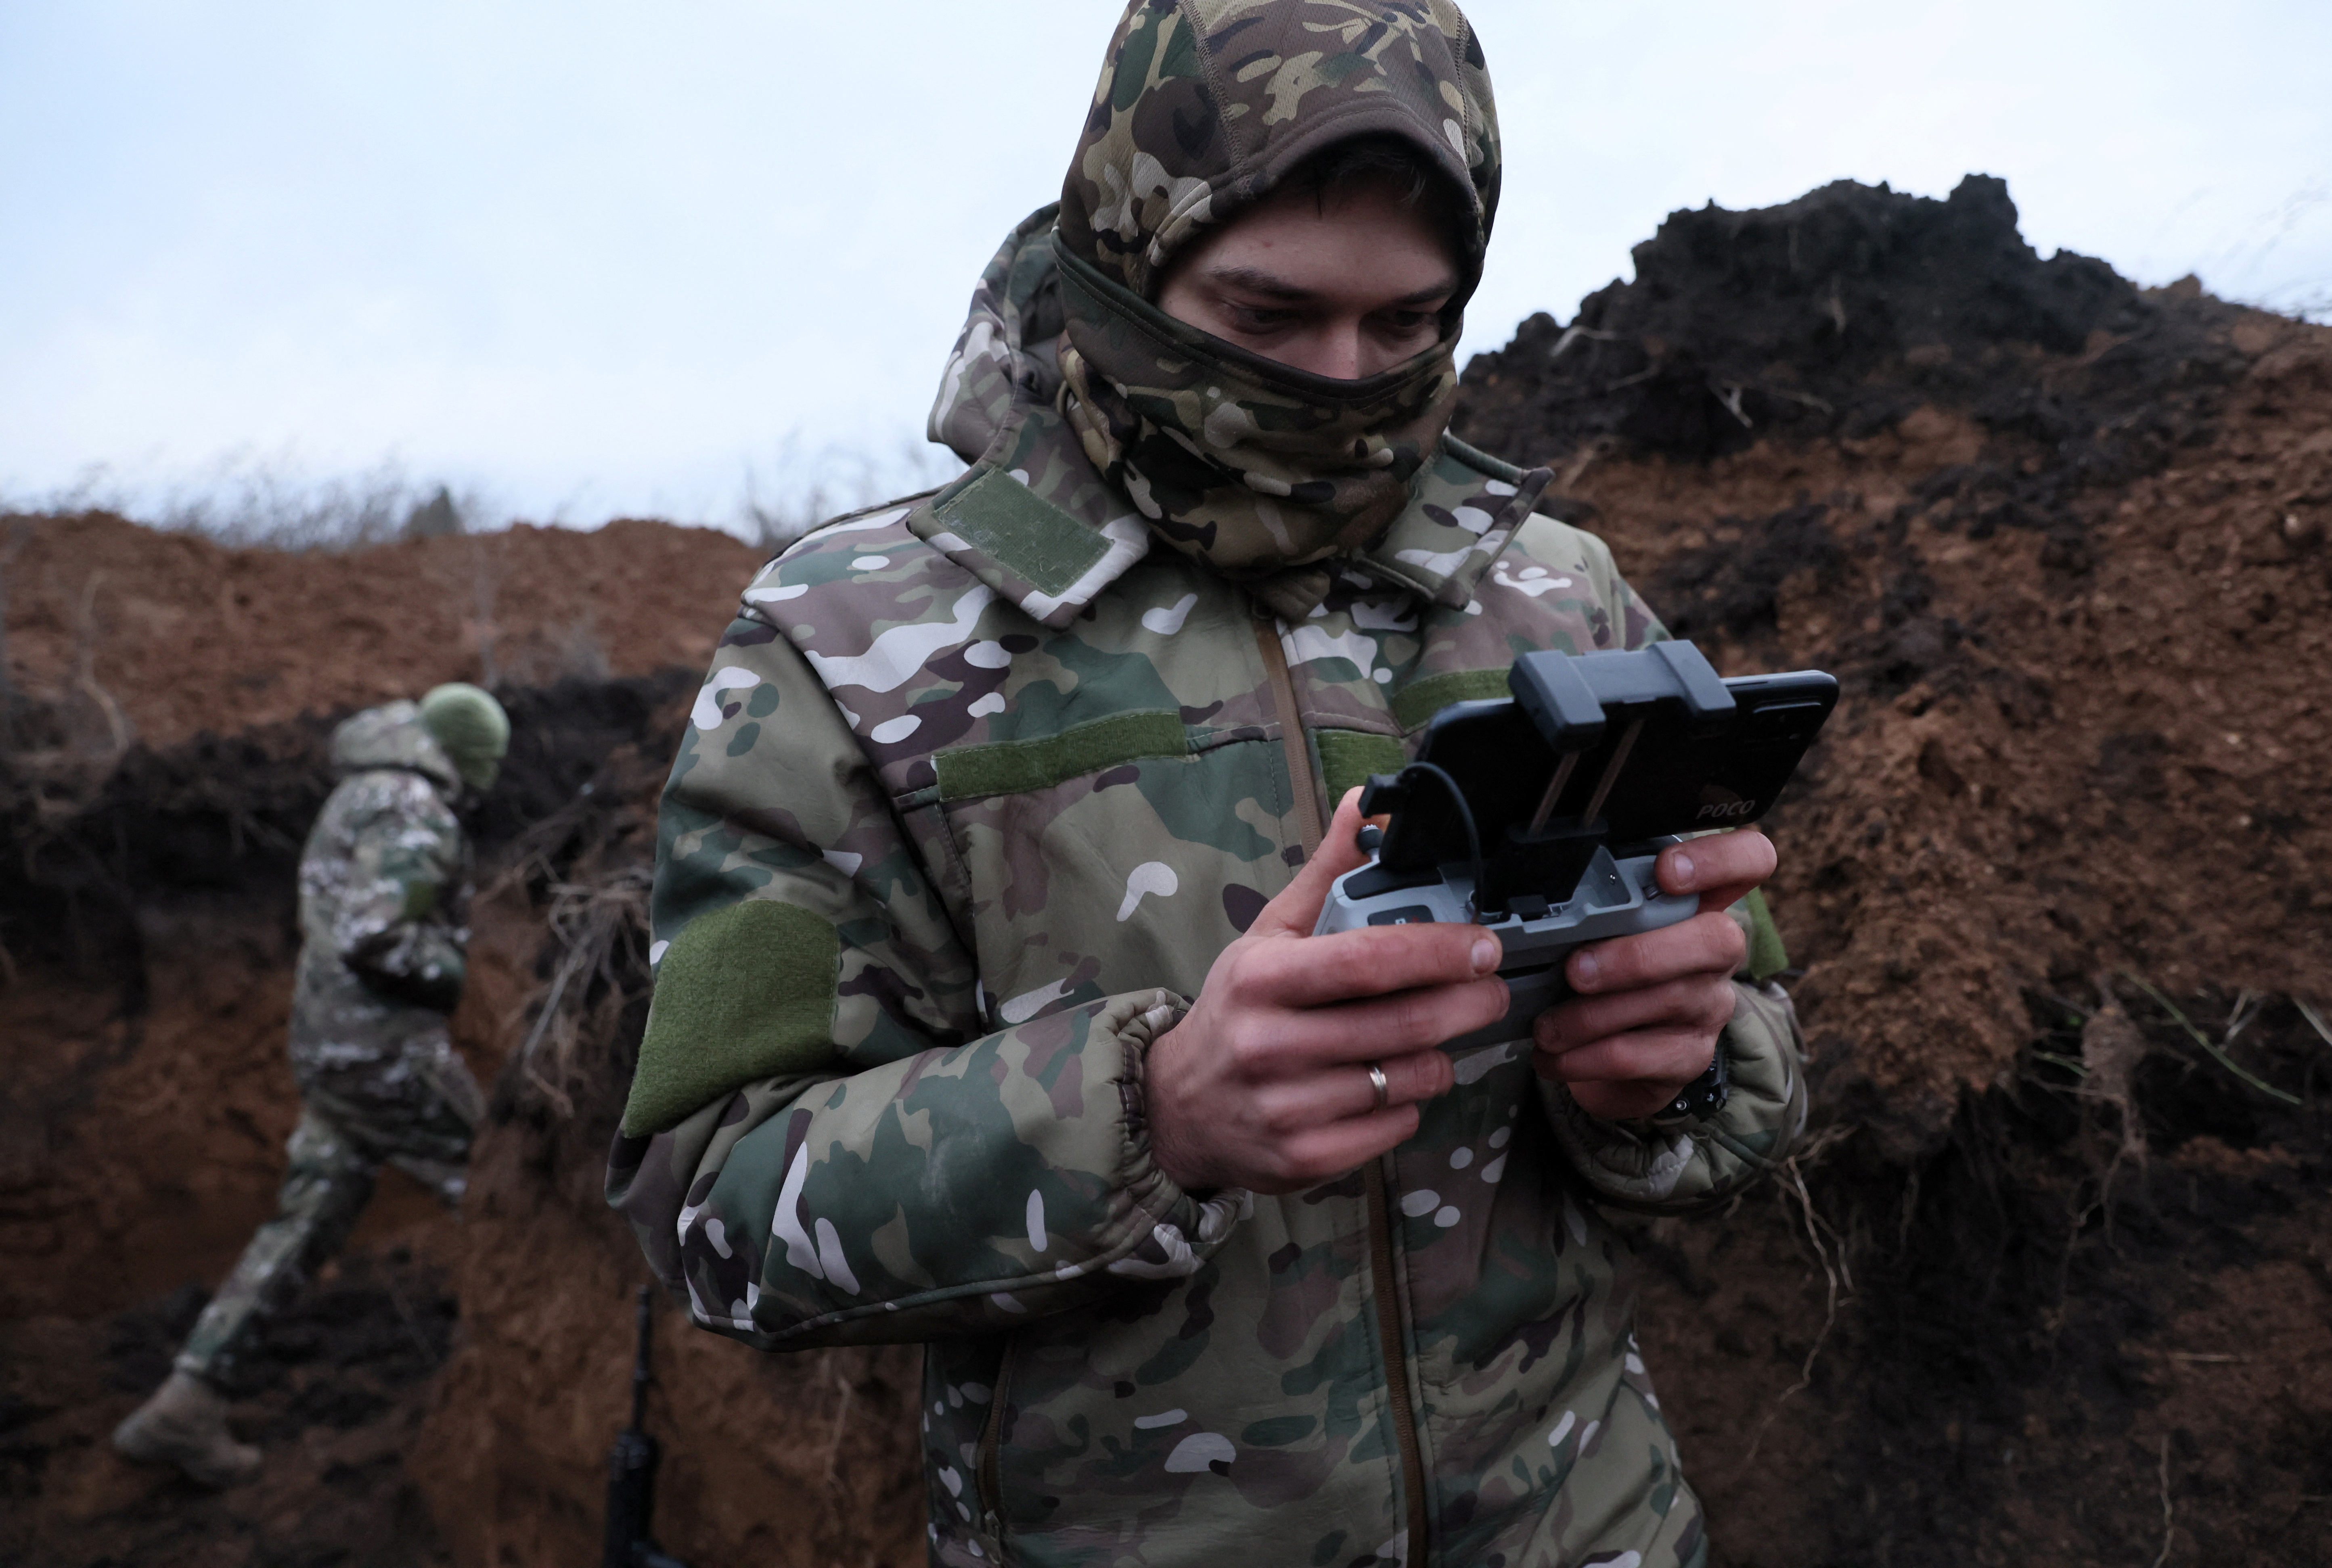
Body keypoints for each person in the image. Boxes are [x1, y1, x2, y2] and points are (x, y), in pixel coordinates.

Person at [609, 4, 1807, 1563]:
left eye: (1404, 328)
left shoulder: (1558, 597)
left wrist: (1669, 1070)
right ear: (1121, 256)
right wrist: (1147, 1115)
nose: (1339, 382)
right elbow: (707, 1199)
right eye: (1264, 315)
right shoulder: (847, 641)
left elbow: (1755, 1050)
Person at [113, 683, 508, 1488]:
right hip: (384, 1054)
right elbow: (376, 932)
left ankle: (187, 1398)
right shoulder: (415, 810)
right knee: (506, 1186)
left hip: (328, 1046)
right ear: (471, 758)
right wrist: (451, 971)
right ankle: (537, 1370)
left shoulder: (362, 792)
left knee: (309, 1220)